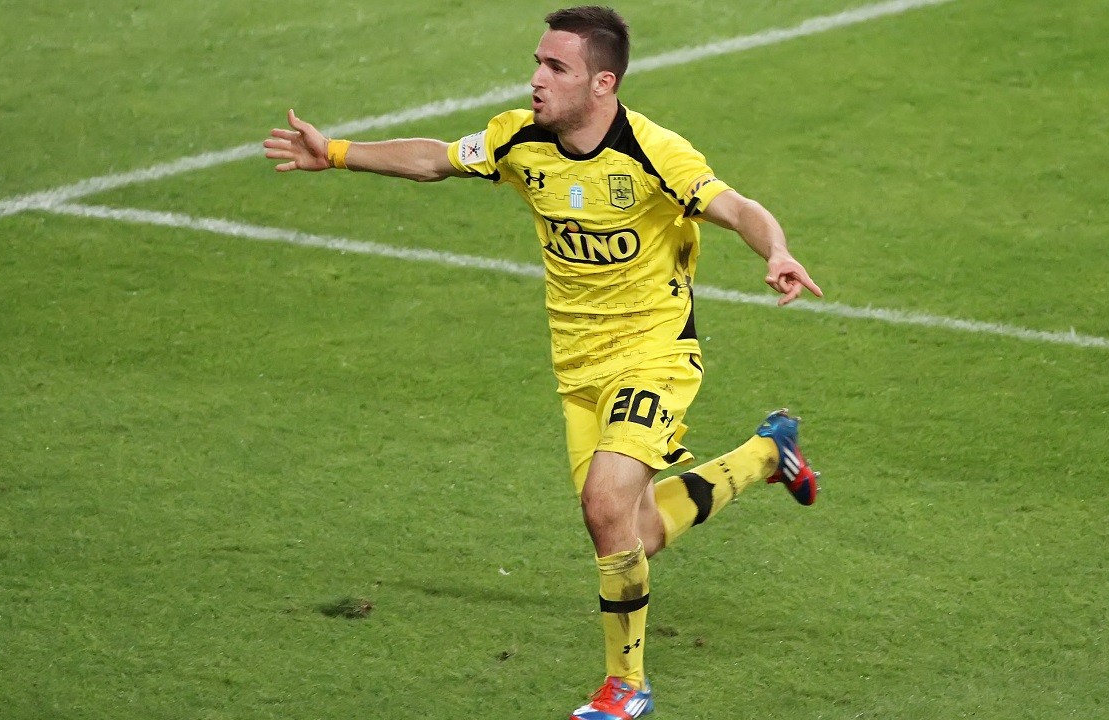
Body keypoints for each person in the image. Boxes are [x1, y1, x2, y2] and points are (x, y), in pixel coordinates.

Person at [264, 6, 822, 719]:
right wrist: (337, 152)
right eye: (537, 62)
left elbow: (738, 207)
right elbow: (436, 158)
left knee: (603, 504)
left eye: (556, 68)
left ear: (602, 83)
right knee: (633, 531)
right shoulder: (518, 139)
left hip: (654, 355)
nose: (536, 79)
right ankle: (767, 453)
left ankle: (626, 687)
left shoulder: (654, 153)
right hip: (578, 370)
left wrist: (776, 250)